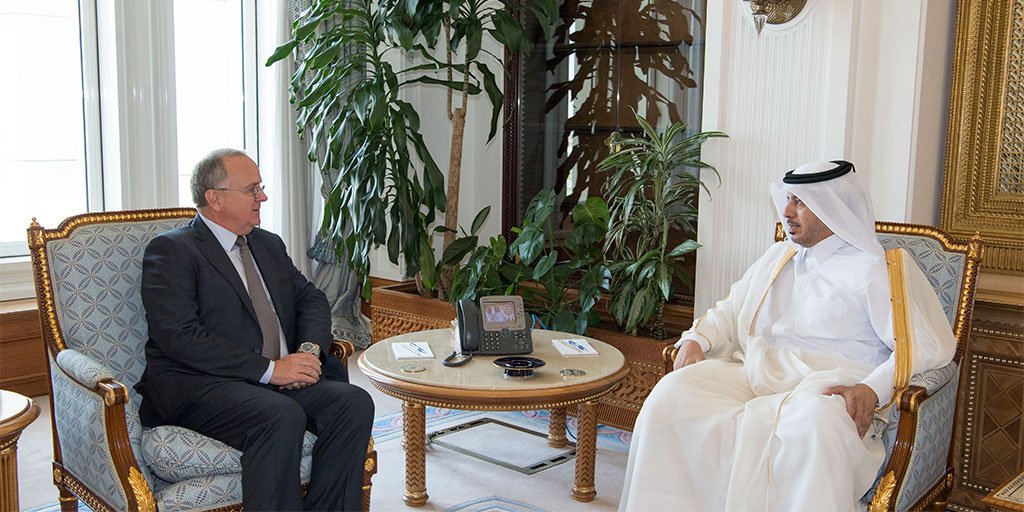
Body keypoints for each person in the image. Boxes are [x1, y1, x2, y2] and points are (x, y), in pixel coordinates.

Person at [618, 160, 956, 511]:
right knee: (671, 397)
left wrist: (872, 388)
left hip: (827, 385)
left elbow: (922, 345)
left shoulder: (875, 268)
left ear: (831, 208)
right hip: (754, 370)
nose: (787, 211)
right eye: (789, 199)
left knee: (814, 428)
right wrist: (697, 339)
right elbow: (731, 308)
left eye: (800, 203)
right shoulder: (779, 256)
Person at [135, 148, 373, 511]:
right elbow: (179, 336)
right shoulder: (173, 250)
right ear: (215, 199)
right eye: (252, 189)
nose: (262, 197)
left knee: (353, 403)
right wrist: (271, 370)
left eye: (261, 187)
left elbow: (311, 298)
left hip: (278, 380)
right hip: (206, 385)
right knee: (280, 415)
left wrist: (307, 354)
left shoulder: (267, 243)